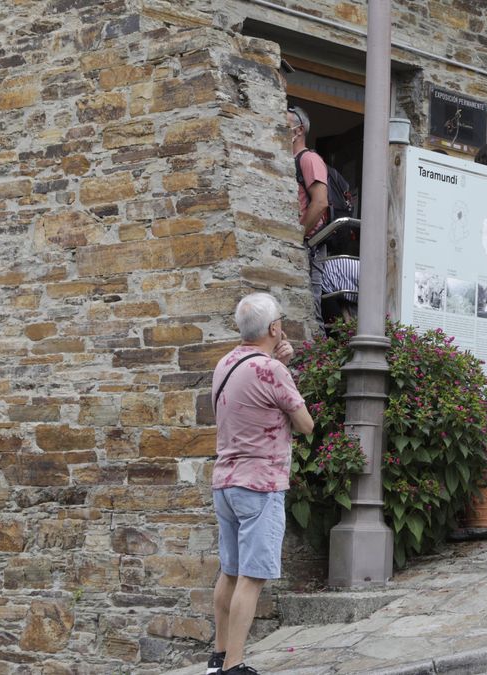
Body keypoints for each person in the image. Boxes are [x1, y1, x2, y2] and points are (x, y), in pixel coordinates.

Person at [207, 293, 314, 675]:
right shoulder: (272, 371)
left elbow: (252, 400)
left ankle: (217, 657)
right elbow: (305, 424)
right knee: (251, 578)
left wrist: (277, 362)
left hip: (225, 482)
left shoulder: (225, 364)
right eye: (280, 320)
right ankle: (235, 665)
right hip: (260, 484)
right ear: (273, 328)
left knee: (229, 572)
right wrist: (282, 368)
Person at [289, 105, 329, 324]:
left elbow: (320, 201)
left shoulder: (308, 159)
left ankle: (317, 352)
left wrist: (299, 235)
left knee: (311, 310)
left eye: (284, 124)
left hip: (310, 244)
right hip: (302, 242)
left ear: (299, 130)